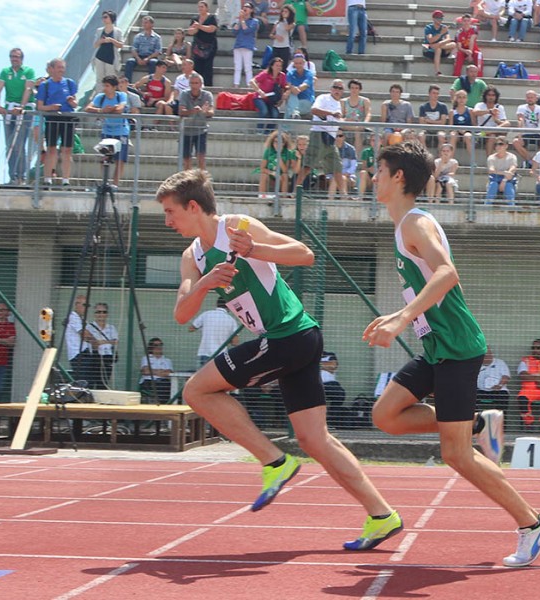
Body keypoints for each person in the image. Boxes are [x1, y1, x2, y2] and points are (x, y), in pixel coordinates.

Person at [157, 168, 403, 551]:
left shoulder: (238, 227)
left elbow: (303, 255)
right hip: (289, 342)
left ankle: (274, 461)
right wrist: (206, 282)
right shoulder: (192, 257)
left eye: (171, 212)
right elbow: (182, 314)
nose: (167, 221)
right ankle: (382, 514)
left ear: (193, 206)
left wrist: (254, 250)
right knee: (314, 439)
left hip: (290, 336)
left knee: (197, 391)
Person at [364, 140, 540, 567]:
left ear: (398, 178)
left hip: (456, 348)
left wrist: (402, 318)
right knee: (385, 416)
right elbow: (437, 285)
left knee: (455, 455)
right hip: (437, 346)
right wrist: (399, 314)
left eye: (378, 171)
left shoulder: (416, 223)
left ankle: (532, 522)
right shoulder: (406, 226)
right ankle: (476, 424)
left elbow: (450, 274)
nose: (372, 178)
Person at [0, 48, 36, 186]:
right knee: (9, 144)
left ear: (21, 58)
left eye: (16, 57)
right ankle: (12, 176)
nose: (14, 59)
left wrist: (22, 106)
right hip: (9, 110)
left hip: (23, 111)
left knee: (19, 145)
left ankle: (21, 177)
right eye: (12, 56)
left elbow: (28, 89)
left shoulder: (28, 71)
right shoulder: (5, 72)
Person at [36, 58, 78, 189]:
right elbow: (40, 106)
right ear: (52, 69)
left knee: (67, 150)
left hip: (67, 118)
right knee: (51, 149)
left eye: (62, 67)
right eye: (58, 67)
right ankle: (48, 178)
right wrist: (51, 107)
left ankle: (66, 179)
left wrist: (72, 102)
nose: (61, 70)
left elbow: (75, 104)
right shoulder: (45, 85)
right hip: (52, 118)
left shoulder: (70, 83)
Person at [84, 75, 130, 185]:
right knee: (104, 158)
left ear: (114, 87)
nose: (105, 88)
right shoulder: (100, 97)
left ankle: (115, 184)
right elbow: (88, 108)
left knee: (120, 160)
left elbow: (120, 109)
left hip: (121, 131)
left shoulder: (121, 95)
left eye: (107, 86)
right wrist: (101, 110)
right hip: (107, 131)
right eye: (104, 85)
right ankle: (105, 182)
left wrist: (109, 110)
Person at [306, 80, 345, 198]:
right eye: (335, 87)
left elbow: (336, 121)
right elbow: (314, 110)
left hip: (330, 138)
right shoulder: (323, 98)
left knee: (337, 168)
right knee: (308, 166)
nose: (337, 90)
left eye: (340, 88)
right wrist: (332, 113)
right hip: (319, 134)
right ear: (331, 88)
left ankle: (344, 195)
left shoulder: (338, 103)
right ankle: (293, 192)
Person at [189, 296, 239, 367]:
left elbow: (191, 329)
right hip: (221, 354)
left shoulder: (206, 314)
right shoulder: (231, 320)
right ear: (229, 306)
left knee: (204, 375)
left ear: (216, 303)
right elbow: (235, 342)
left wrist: (202, 329)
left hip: (205, 352)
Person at [179, 72, 214, 170]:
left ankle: (202, 181)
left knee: (201, 158)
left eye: (196, 83)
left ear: (201, 84)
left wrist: (204, 112)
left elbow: (211, 112)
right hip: (186, 131)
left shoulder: (207, 95)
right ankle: (188, 182)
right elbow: (181, 111)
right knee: (186, 159)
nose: (194, 85)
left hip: (201, 130)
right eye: (192, 83)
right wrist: (192, 111)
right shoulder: (184, 94)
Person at [512, 90, 540, 166]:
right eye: (528, 97)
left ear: (536, 98)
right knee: (515, 142)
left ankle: (532, 161)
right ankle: (529, 160)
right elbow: (520, 119)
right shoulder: (521, 107)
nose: (530, 99)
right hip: (525, 133)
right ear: (526, 99)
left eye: (532, 97)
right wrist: (519, 135)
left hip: (538, 133)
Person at [250, 57, 288, 132]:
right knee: (264, 111)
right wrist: (259, 91)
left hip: (272, 100)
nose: (279, 67)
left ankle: (268, 132)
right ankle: (259, 131)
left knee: (275, 114)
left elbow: (284, 87)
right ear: (272, 66)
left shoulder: (282, 76)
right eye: (277, 65)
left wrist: (281, 100)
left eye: (280, 66)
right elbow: (252, 81)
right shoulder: (265, 74)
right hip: (260, 98)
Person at [472, 85, 511, 158]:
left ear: (496, 97)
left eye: (493, 95)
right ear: (485, 96)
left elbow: (504, 122)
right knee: (492, 136)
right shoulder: (480, 105)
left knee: (507, 123)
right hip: (482, 133)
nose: (491, 97)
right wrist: (489, 111)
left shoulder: (499, 107)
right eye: (489, 95)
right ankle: (489, 161)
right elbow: (475, 112)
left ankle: (489, 131)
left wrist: (496, 120)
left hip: (494, 132)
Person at [86, 302, 119, 389]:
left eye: (104, 312)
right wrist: (107, 341)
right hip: (94, 357)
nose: (101, 314)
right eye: (98, 312)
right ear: (95, 314)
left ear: (107, 314)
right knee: (92, 383)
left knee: (103, 384)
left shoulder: (111, 328)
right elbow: (90, 341)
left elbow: (115, 342)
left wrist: (100, 342)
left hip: (107, 358)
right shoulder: (89, 327)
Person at [64, 295, 95, 383]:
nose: (86, 308)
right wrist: (93, 339)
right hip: (78, 355)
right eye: (84, 305)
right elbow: (85, 335)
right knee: (82, 381)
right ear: (77, 305)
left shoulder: (82, 319)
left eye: (87, 306)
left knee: (89, 381)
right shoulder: (73, 318)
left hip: (85, 353)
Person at [124, 15, 162, 83]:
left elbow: (158, 51)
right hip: (139, 56)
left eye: (146, 22)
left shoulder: (157, 37)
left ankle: (151, 83)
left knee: (154, 62)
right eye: (143, 23)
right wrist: (138, 58)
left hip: (151, 57)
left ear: (151, 24)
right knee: (129, 61)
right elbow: (134, 49)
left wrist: (148, 58)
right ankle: (127, 83)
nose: (144, 24)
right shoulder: (138, 36)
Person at [189, 1, 219, 87]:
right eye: (199, 7)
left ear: (206, 8)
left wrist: (199, 26)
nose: (200, 8)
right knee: (197, 67)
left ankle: (208, 86)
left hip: (210, 46)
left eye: (202, 7)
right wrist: (196, 28)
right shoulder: (195, 18)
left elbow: (212, 29)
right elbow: (190, 31)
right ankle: (196, 85)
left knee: (208, 67)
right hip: (197, 47)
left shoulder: (211, 17)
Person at [258, 129, 295, 195]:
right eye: (275, 142)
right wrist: (273, 173)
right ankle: (262, 197)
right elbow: (262, 168)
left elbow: (285, 170)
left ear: (284, 143)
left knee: (285, 176)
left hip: (282, 176)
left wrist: (279, 156)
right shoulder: (268, 151)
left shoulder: (288, 153)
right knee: (263, 175)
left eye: (280, 142)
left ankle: (283, 197)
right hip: (271, 175)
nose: (277, 144)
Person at [341, 79, 371, 156]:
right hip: (347, 124)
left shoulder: (365, 101)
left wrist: (365, 123)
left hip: (359, 125)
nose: (354, 90)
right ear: (349, 89)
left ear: (360, 89)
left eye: (356, 88)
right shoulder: (343, 101)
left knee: (358, 132)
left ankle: (356, 156)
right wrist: (347, 120)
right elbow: (340, 116)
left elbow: (368, 114)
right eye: (352, 88)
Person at [477, 345, 511, 414]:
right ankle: (475, 420)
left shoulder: (500, 362)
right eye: (484, 356)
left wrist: (499, 385)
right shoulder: (477, 364)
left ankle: (501, 421)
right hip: (481, 390)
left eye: (488, 354)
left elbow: (506, 376)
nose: (487, 357)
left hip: (497, 390)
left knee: (503, 395)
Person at [93, 10, 124, 82]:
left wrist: (111, 40)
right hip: (99, 57)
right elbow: (95, 45)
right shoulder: (99, 30)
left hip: (111, 58)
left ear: (111, 18)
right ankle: (99, 92)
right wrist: (101, 41)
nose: (103, 19)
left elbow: (121, 45)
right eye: (103, 17)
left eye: (105, 17)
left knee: (110, 79)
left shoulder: (118, 31)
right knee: (99, 79)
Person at [486, 136, 519, 204]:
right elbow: (491, 170)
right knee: (493, 185)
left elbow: (512, 170)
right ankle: (487, 208)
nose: (498, 146)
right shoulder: (491, 157)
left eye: (501, 144)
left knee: (508, 186)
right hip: (495, 180)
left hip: (508, 181)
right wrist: (504, 173)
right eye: (496, 144)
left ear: (506, 146)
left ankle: (511, 210)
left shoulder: (512, 157)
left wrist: (504, 181)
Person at [139, 337, 173, 402]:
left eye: (160, 345)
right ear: (151, 347)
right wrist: (161, 371)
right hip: (149, 381)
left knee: (166, 385)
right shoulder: (146, 358)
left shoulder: (167, 360)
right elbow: (145, 371)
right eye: (156, 345)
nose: (159, 347)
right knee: (162, 386)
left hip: (163, 381)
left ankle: (163, 404)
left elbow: (169, 373)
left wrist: (152, 371)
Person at [423, 10, 457, 76]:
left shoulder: (443, 27)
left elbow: (448, 39)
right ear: (433, 18)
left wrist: (438, 44)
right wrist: (441, 33)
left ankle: (437, 47)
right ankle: (437, 71)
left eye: (441, 18)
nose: (439, 19)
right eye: (437, 18)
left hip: (437, 46)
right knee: (438, 50)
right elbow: (430, 40)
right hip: (428, 50)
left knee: (453, 44)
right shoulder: (428, 27)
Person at [233, 5, 259, 87]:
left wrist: (242, 21)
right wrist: (239, 21)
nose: (245, 8)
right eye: (244, 7)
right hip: (238, 46)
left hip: (247, 46)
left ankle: (249, 85)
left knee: (248, 67)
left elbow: (247, 30)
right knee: (237, 67)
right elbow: (234, 32)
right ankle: (236, 84)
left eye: (247, 7)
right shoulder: (239, 21)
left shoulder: (254, 21)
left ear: (251, 10)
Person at [285, 53, 316, 120]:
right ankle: (295, 113)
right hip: (294, 101)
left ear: (304, 63)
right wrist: (292, 89)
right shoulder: (290, 73)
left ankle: (284, 129)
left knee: (290, 106)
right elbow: (289, 85)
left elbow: (304, 86)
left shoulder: (309, 74)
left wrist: (294, 89)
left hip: (307, 101)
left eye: (300, 63)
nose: (298, 65)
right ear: (293, 63)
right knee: (291, 96)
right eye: (296, 63)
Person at [417, 84, 449, 149]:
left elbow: (443, 122)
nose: (435, 95)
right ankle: (426, 156)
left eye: (437, 93)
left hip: (439, 130)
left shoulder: (443, 106)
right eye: (434, 93)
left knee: (442, 136)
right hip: (427, 130)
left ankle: (439, 157)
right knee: (421, 136)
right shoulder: (423, 107)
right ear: (429, 94)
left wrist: (428, 121)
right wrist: (437, 122)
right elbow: (421, 123)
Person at [448, 89, 473, 158]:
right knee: (453, 135)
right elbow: (450, 127)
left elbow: (474, 124)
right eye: (459, 97)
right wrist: (458, 129)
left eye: (464, 97)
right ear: (456, 99)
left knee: (467, 137)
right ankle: (450, 159)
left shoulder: (470, 110)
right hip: (456, 133)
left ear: (466, 99)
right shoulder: (452, 112)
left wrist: (465, 130)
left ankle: (472, 160)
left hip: (467, 132)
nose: (462, 99)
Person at [270, 4, 295, 70]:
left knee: (283, 67)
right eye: (283, 11)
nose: (284, 13)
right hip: (276, 46)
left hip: (285, 47)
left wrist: (285, 19)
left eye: (286, 11)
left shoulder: (292, 24)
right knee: (274, 66)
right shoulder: (277, 23)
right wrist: (276, 36)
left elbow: (286, 28)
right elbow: (271, 34)